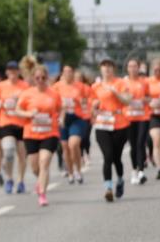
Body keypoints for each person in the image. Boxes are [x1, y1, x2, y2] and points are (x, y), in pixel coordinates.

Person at [15, 64, 61, 207]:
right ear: (33, 78)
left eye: (43, 77)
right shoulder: (27, 93)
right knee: (35, 167)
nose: (40, 80)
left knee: (44, 162)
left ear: (47, 77)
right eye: (37, 78)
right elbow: (18, 110)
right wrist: (28, 114)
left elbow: (60, 109)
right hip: (31, 133)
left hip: (50, 133)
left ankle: (42, 194)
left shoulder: (54, 94)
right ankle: (40, 181)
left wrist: (60, 118)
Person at [90, 60, 132, 202]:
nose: (107, 69)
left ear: (113, 69)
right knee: (107, 156)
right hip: (102, 124)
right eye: (104, 67)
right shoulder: (95, 86)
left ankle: (120, 180)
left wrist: (116, 93)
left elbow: (127, 101)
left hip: (119, 124)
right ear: (100, 69)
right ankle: (108, 187)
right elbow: (90, 106)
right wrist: (94, 107)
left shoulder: (121, 83)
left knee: (116, 158)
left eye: (109, 66)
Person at [51, 65, 89, 184]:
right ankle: (71, 172)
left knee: (74, 144)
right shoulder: (56, 87)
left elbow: (89, 100)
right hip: (62, 119)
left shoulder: (80, 86)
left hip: (77, 118)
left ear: (73, 73)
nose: (68, 74)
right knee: (65, 148)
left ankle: (78, 170)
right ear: (62, 74)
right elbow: (52, 103)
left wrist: (83, 103)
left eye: (70, 71)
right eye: (65, 72)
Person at [0, 61, 30, 194]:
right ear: (6, 72)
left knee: (22, 155)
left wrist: (19, 102)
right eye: (10, 71)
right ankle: (9, 178)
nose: (12, 73)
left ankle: (20, 181)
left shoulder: (24, 86)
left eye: (14, 70)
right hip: (6, 122)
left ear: (18, 72)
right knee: (8, 151)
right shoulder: (1, 86)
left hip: (22, 123)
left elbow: (29, 103)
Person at [121, 59, 150, 185]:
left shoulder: (144, 82)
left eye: (135, 66)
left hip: (143, 116)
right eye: (130, 66)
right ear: (127, 68)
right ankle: (134, 170)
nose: (132, 69)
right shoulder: (123, 83)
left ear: (139, 68)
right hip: (129, 117)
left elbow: (149, 97)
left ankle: (141, 171)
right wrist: (127, 99)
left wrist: (144, 100)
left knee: (140, 143)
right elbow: (120, 98)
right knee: (133, 145)